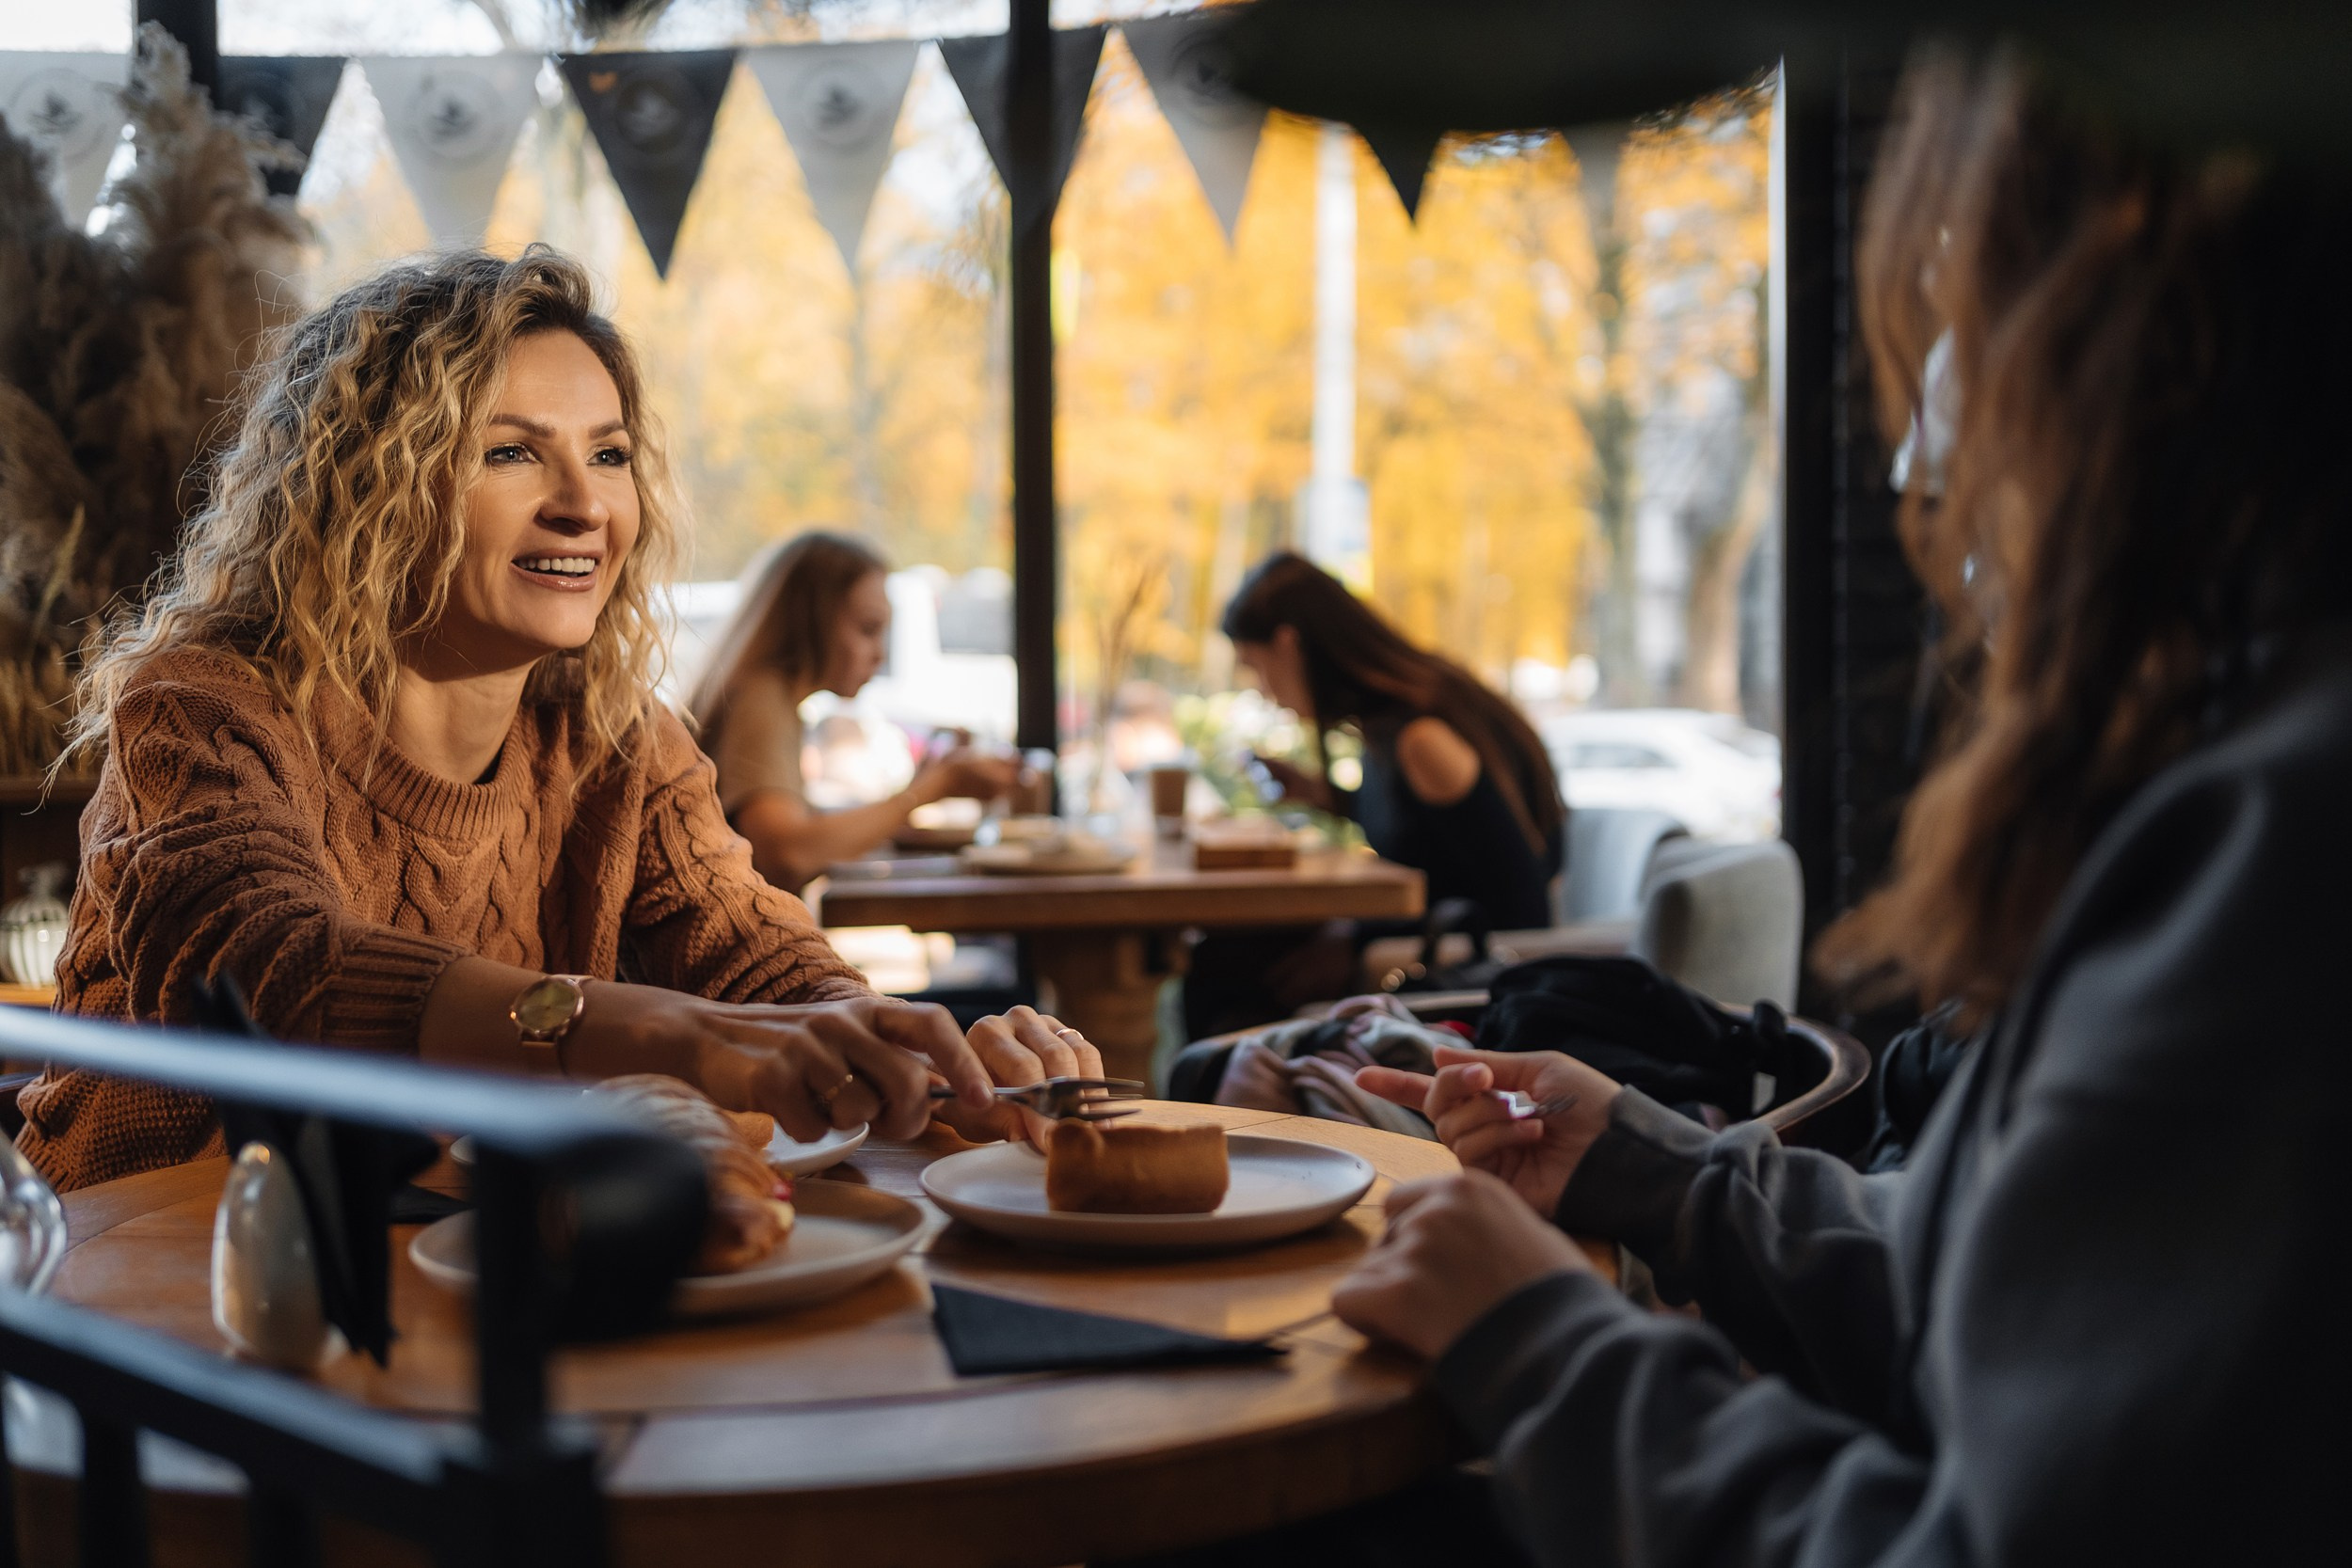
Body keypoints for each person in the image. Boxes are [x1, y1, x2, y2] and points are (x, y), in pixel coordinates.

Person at [1298, 44, 2346, 1568]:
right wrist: (1648, 1160)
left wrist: (1547, 1341)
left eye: (1959, 315)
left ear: (2125, 330)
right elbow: (2024, 1286)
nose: (1928, 456)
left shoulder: (2276, 850)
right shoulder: (2254, 766)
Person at [16, 248, 1094, 1193]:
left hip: (465, 1260)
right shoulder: (203, 706)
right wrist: (664, 1032)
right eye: (511, 451)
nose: (585, 503)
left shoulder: (619, 737)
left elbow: (753, 957)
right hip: (155, 1293)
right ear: (369, 489)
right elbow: (274, 974)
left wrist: (907, 1049)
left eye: (611, 453)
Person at [1180, 551, 1565, 1040]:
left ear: (1289, 643)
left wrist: (1360, 941)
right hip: (1408, 935)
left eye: (1256, 668)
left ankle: (1223, 1105)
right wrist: (1320, 795)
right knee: (1225, 956)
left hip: (1448, 969)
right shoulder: (1397, 720)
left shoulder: (1422, 738)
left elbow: (1521, 905)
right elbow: (1435, 842)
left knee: (1221, 972)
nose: (1264, 691)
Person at [684, 532, 1018, 894]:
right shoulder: (761, 700)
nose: (880, 655)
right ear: (811, 618)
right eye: (868, 629)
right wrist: (933, 787)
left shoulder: (767, 695)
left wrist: (917, 789)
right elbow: (786, 854)